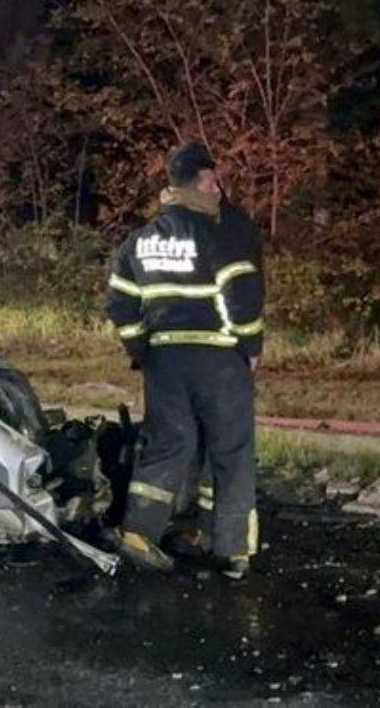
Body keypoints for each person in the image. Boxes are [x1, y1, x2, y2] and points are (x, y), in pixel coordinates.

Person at [105, 141, 265, 580]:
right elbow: (244, 299)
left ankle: (139, 531)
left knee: (170, 442)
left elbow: (120, 304)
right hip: (219, 359)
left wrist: (142, 351)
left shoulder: (139, 242)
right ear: (204, 181)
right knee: (231, 449)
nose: (219, 189)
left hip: (165, 360)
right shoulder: (219, 235)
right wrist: (250, 349)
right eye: (215, 180)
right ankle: (230, 549)